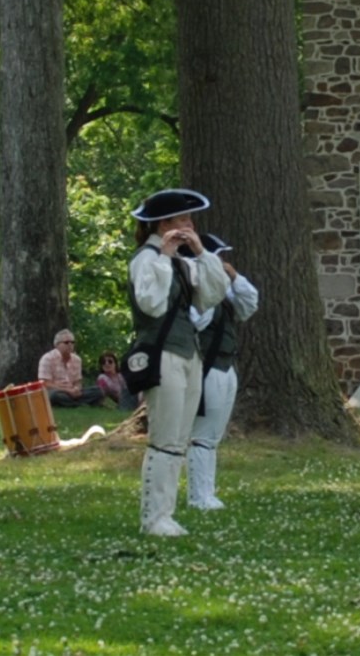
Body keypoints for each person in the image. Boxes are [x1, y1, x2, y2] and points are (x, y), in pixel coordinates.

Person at [124, 189, 229, 537]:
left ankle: (165, 513)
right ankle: (153, 517)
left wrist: (200, 253)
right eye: (183, 220)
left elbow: (212, 295)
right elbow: (152, 304)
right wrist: (164, 256)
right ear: (163, 224)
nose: (190, 226)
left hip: (189, 353)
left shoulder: (184, 263)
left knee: (179, 438)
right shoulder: (145, 260)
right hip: (162, 353)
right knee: (164, 437)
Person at [183, 233, 259, 511]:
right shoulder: (194, 293)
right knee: (202, 436)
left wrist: (234, 277)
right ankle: (197, 496)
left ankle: (207, 493)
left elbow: (249, 304)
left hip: (227, 366)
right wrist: (212, 287)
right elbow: (197, 322)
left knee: (213, 435)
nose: (223, 263)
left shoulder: (223, 292)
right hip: (206, 367)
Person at [38, 330, 107, 407]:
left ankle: (72, 403)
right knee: (53, 396)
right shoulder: (47, 358)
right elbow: (45, 384)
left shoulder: (77, 359)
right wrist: (68, 390)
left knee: (98, 391)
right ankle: (81, 403)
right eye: (66, 342)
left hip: (72, 392)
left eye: (72, 342)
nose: (70, 345)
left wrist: (76, 389)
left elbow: (78, 382)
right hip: (57, 391)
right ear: (57, 345)